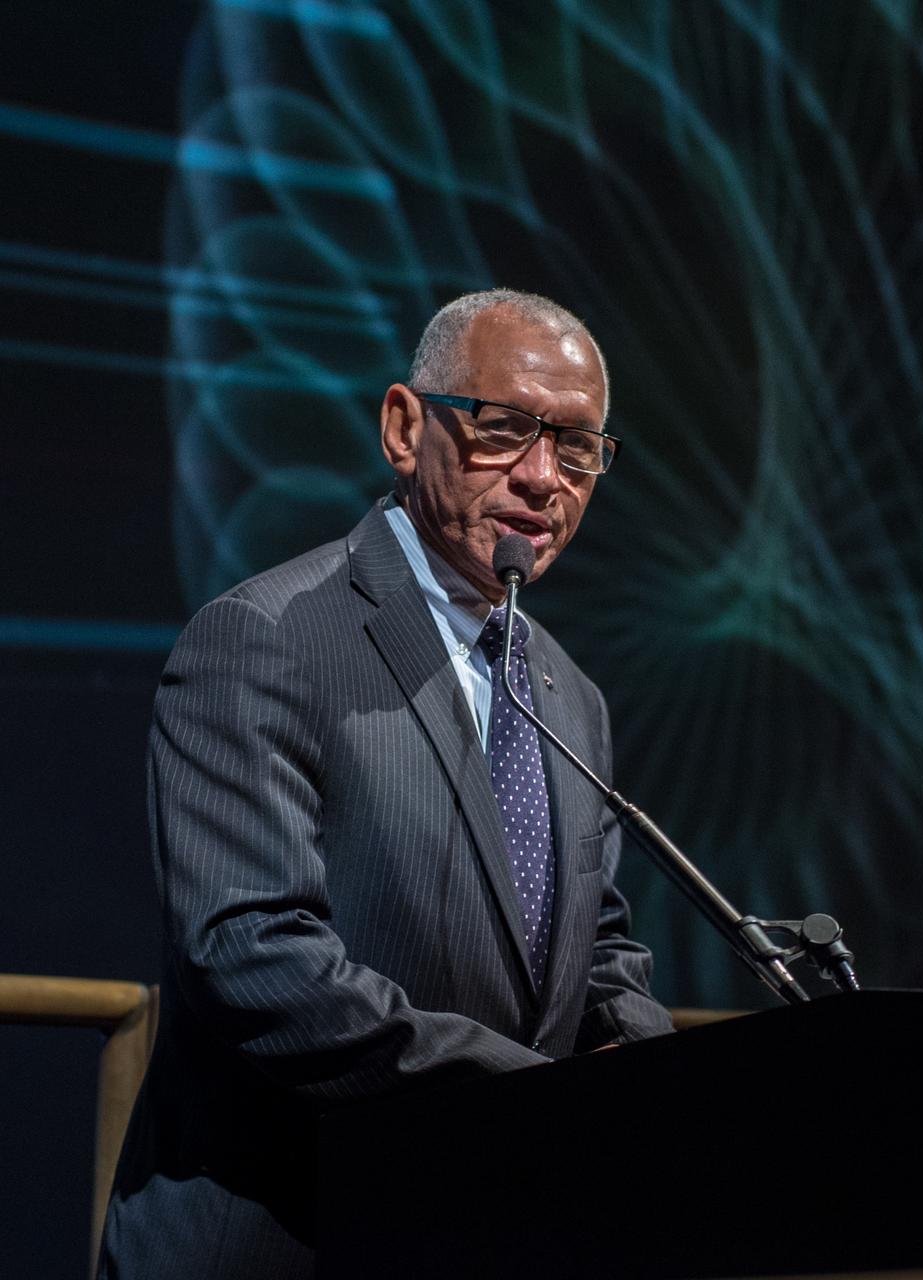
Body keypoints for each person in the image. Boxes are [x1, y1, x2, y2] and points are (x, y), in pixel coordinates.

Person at [99, 289, 674, 1279]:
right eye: (503, 431)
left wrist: (641, 1057)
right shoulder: (266, 638)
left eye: (576, 449)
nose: (542, 477)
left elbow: (596, 939)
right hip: (286, 1240)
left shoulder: (567, 694)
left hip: (486, 1241)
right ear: (405, 428)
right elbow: (253, 957)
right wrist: (541, 1103)